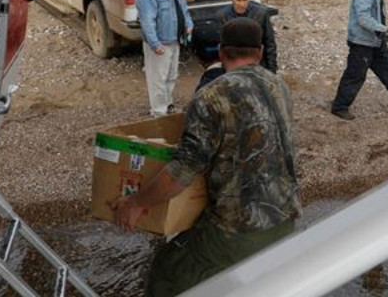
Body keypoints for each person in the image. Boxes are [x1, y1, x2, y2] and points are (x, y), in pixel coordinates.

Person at [112, 18, 300, 297]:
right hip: (286, 218)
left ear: (222, 53)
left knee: (168, 268)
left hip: (239, 231)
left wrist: (136, 203)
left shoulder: (212, 96)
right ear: (259, 53)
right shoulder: (279, 86)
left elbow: (183, 170)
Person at [136, 0, 194, 116]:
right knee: (158, 80)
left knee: (171, 76)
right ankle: (159, 113)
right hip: (160, 43)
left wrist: (189, 25)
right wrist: (155, 44)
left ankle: (167, 105)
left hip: (174, 40)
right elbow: (147, 22)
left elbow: (183, 9)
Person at [220, 0, 278, 73]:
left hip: (256, 64)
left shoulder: (260, 14)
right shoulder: (224, 15)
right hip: (233, 65)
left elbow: (269, 43)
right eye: (238, 0)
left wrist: (272, 71)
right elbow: (222, 45)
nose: (242, 4)